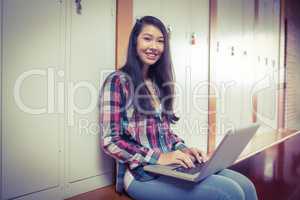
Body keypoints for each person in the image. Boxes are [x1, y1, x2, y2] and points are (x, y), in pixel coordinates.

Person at [99, 16, 258, 200]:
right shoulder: (117, 81)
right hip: (141, 175)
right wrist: (158, 158)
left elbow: (165, 134)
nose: (154, 46)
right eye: (147, 38)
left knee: (245, 185)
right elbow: (110, 140)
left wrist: (184, 149)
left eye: (160, 41)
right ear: (135, 41)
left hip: (169, 167)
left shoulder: (158, 84)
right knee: (230, 192)